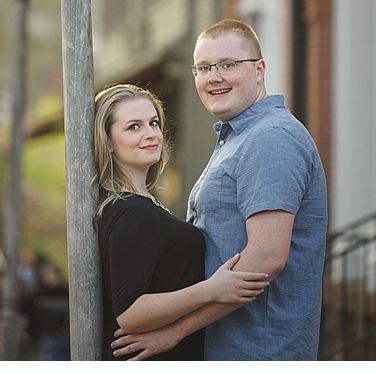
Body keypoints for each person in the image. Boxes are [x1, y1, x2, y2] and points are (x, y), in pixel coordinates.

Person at [111, 20, 328, 360]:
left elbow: (265, 261)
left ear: (259, 69)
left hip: (259, 351)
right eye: (203, 67)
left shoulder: (270, 138)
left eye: (228, 65)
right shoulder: (238, 137)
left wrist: (174, 332)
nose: (214, 77)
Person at [94, 83, 270, 360]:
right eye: (133, 127)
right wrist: (212, 289)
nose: (151, 134)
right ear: (108, 142)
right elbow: (130, 313)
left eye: (153, 123)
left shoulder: (142, 205)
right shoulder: (129, 212)